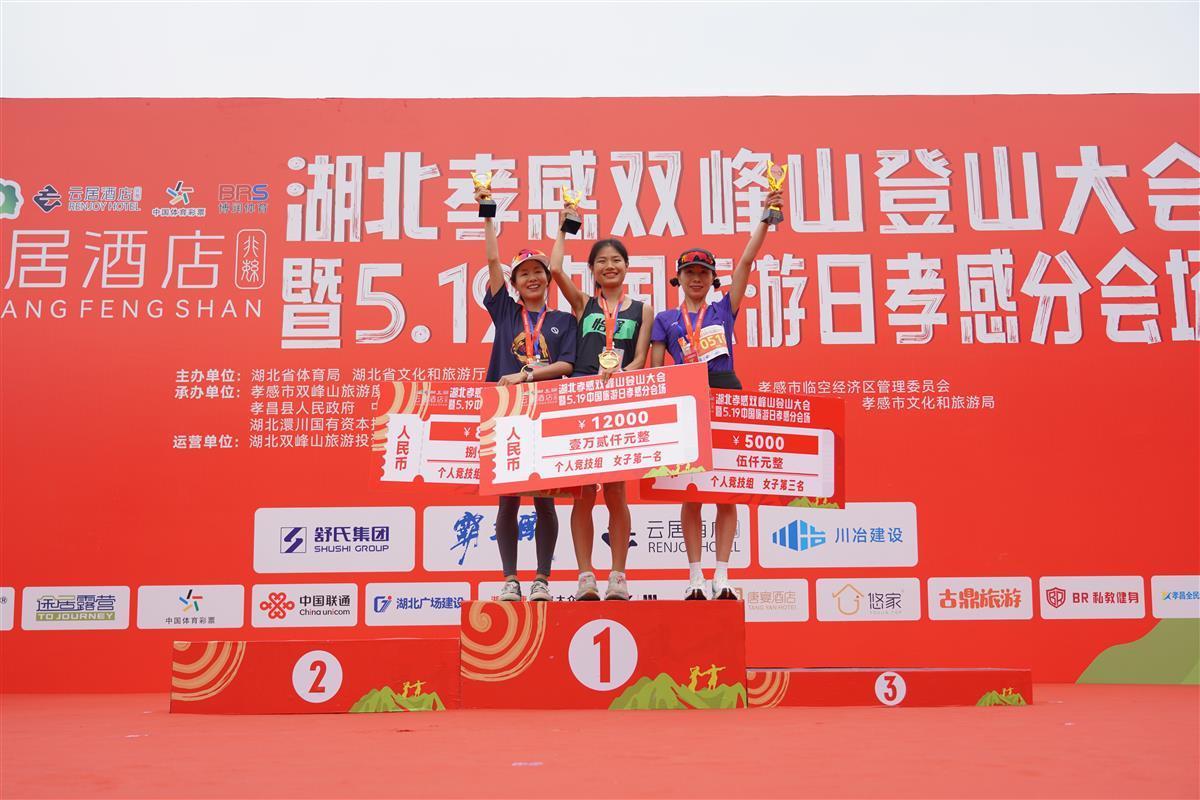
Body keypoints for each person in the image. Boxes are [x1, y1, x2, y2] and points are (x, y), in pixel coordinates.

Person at [650, 188, 784, 600]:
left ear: (713, 279)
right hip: (686, 400)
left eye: (703, 273)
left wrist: (766, 218)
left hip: (726, 393)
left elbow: (746, 262)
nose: (696, 278)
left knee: (727, 489)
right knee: (691, 492)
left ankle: (721, 575)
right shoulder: (665, 319)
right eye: (689, 272)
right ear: (678, 278)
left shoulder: (723, 309)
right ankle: (695, 576)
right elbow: (655, 368)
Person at [477, 183, 578, 602]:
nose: (532, 277)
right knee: (507, 500)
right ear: (515, 284)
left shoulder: (564, 321)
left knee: (545, 502)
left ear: (547, 279)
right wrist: (488, 215)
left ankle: (541, 580)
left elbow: (567, 366)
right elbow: (492, 260)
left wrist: (526, 376)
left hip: (547, 413)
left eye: (538, 271)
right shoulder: (505, 311)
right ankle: (509, 580)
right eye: (524, 273)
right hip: (505, 412)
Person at [549, 196, 653, 601]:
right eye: (602, 261)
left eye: (617, 260)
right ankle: (585, 576)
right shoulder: (583, 304)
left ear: (626, 267)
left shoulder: (642, 309)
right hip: (582, 399)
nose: (610, 266)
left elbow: (642, 356)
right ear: (592, 269)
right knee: (583, 492)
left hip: (620, 401)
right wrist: (565, 228)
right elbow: (555, 268)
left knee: (616, 492)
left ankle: (618, 576)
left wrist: (624, 374)